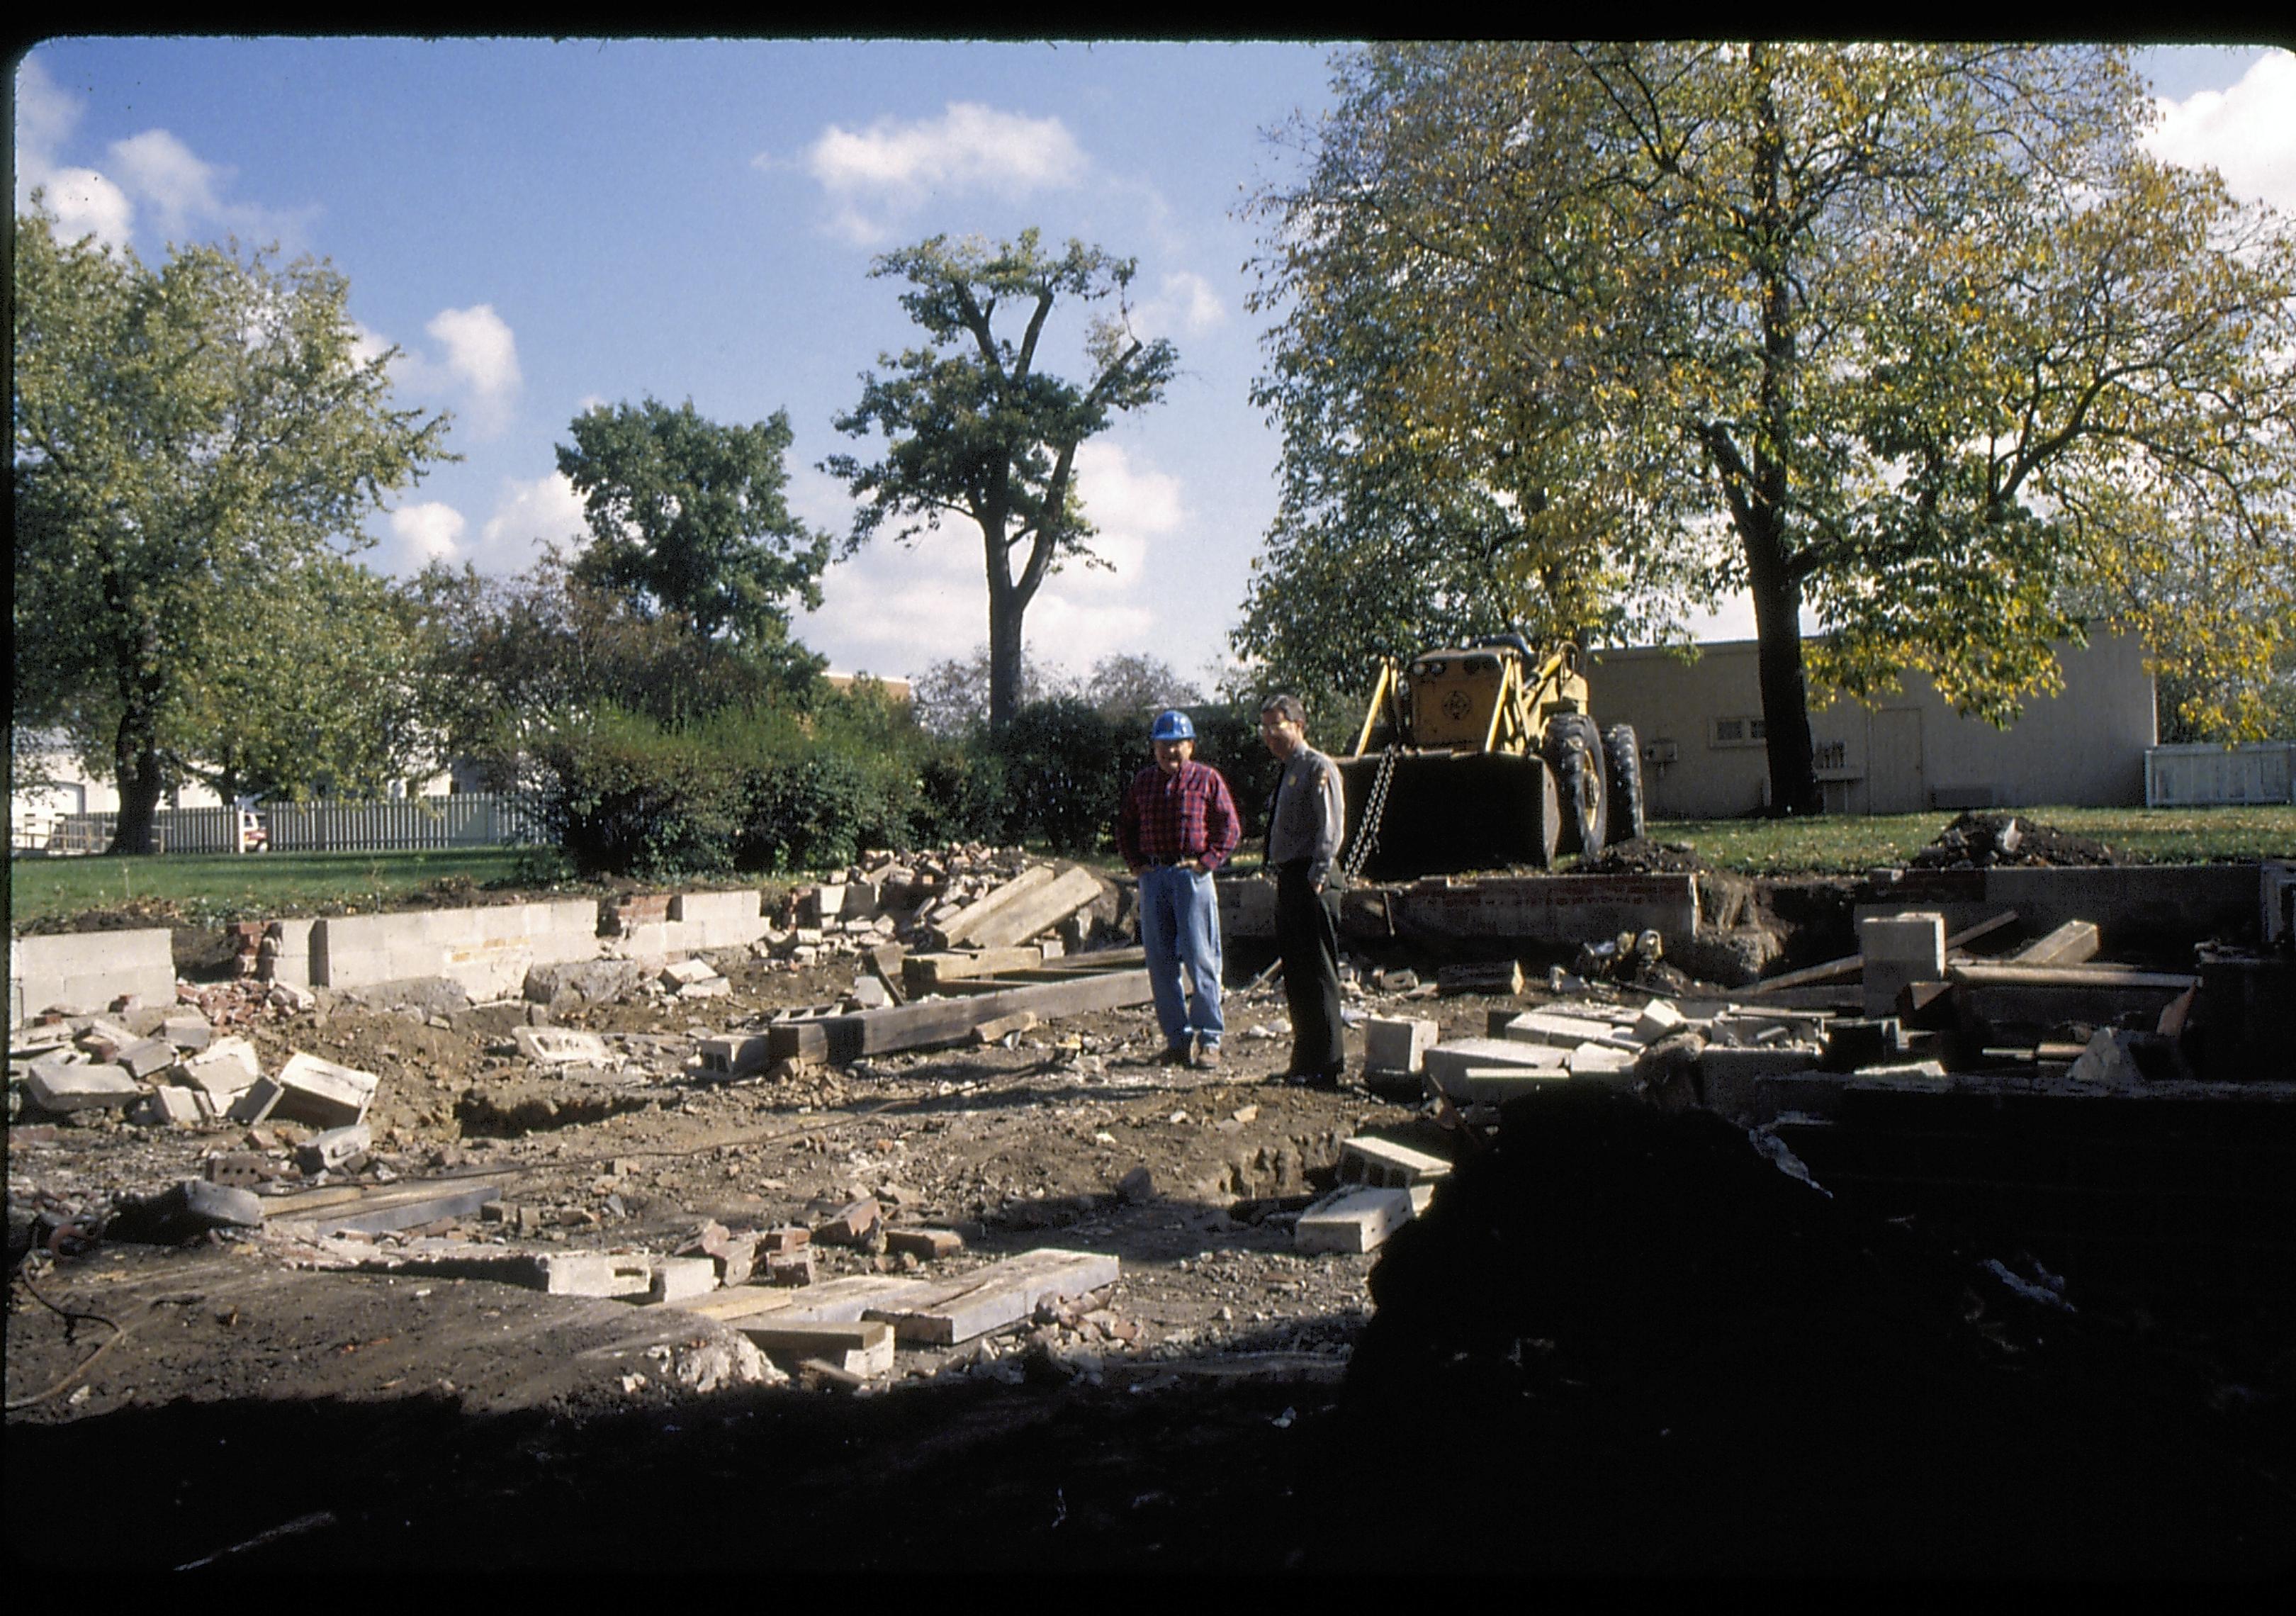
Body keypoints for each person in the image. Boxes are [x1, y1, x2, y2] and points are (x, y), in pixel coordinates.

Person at [1117, 709, 1242, 1070]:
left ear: (1190, 746)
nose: (1170, 753)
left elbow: (1229, 828)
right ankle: (1176, 1040)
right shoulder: (1143, 783)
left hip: (1192, 877)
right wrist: (1136, 865)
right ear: (1154, 748)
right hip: (1155, 877)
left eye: (1177, 746)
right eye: (1163, 746)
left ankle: (1210, 1040)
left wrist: (1207, 862)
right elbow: (1125, 827)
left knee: (1202, 959)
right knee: (1161, 963)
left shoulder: (1207, 779)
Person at [1259, 692, 1347, 1088]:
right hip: (1291, 878)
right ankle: (1304, 1059)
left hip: (1312, 877)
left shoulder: (1317, 767)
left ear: (1298, 725)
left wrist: (1318, 872)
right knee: (1296, 972)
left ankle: (1328, 1065)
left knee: (1319, 971)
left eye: (1277, 726)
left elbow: (1330, 826)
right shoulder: (1287, 769)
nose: (1270, 735)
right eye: (1265, 728)